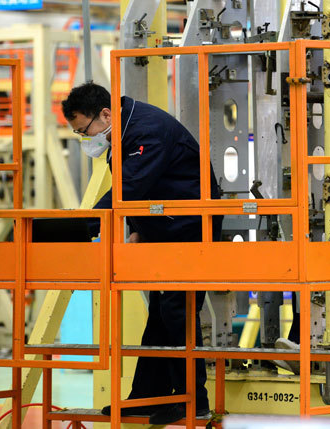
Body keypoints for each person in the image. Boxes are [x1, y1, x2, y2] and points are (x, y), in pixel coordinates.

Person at [62, 82, 222, 425]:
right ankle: (149, 397)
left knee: (178, 311)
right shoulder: (123, 131)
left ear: (106, 115)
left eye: (84, 131)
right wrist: (139, 229)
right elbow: (139, 187)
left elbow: (130, 188)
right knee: (162, 313)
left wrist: (82, 227)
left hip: (191, 226)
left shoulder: (147, 130)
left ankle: (194, 401)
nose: (85, 138)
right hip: (166, 226)